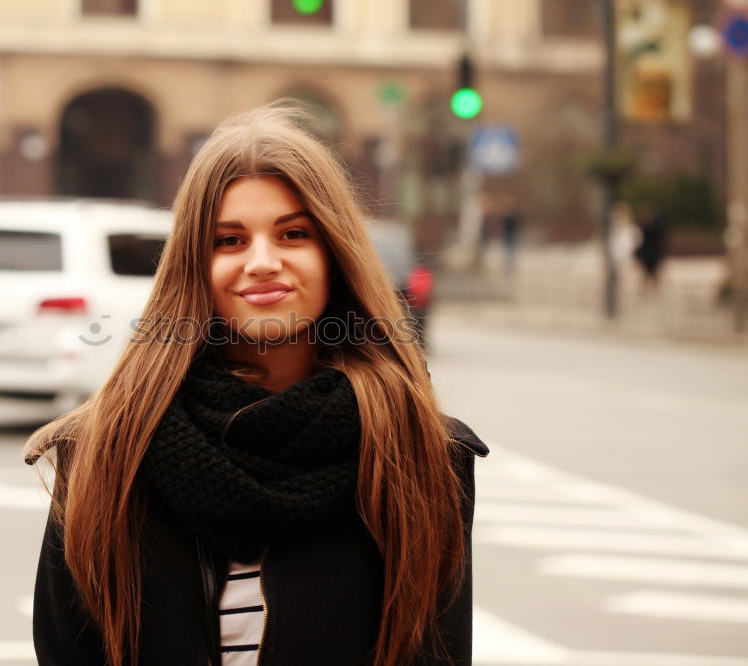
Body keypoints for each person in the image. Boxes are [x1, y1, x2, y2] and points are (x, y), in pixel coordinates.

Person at [24, 104, 489, 666]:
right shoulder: (104, 452)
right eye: (229, 240)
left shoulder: (418, 449)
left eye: (293, 234)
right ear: (194, 265)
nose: (263, 262)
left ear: (333, 254)